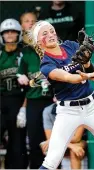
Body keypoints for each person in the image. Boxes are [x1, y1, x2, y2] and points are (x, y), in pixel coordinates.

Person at [24, 20, 94, 169]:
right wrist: (82, 76)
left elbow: (93, 74)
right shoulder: (46, 64)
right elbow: (68, 77)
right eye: (44, 33)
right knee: (52, 161)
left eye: (52, 31)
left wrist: (86, 63)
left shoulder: (71, 46)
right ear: (39, 42)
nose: (51, 34)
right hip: (68, 112)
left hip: (93, 107)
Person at [17, 12, 54, 169]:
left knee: (53, 140)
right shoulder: (26, 54)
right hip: (33, 101)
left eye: (34, 22)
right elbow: (20, 73)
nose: (31, 24)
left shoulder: (52, 50)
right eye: (27, 22)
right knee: (34, 139)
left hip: (51, 100)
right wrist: (20, 77)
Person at [0, 18, 28, 169]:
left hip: (18, 101)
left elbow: (31, 85)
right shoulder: (0, 55)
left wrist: (23, 109)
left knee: (17, 143)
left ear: (18, 34)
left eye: (13, 32)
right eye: (6, 32)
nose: (10, 35)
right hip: (2, 100)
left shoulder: (24, 54)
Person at [40, 101, 87, 169]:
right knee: (49, 149)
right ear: (54, 98)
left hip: (82, 140)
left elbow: (77, 138)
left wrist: (54, 139)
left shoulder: (79, 109)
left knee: (75, 151)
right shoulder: (48, 110)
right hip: (66, 142)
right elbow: (49, 138)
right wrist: (71, 146)